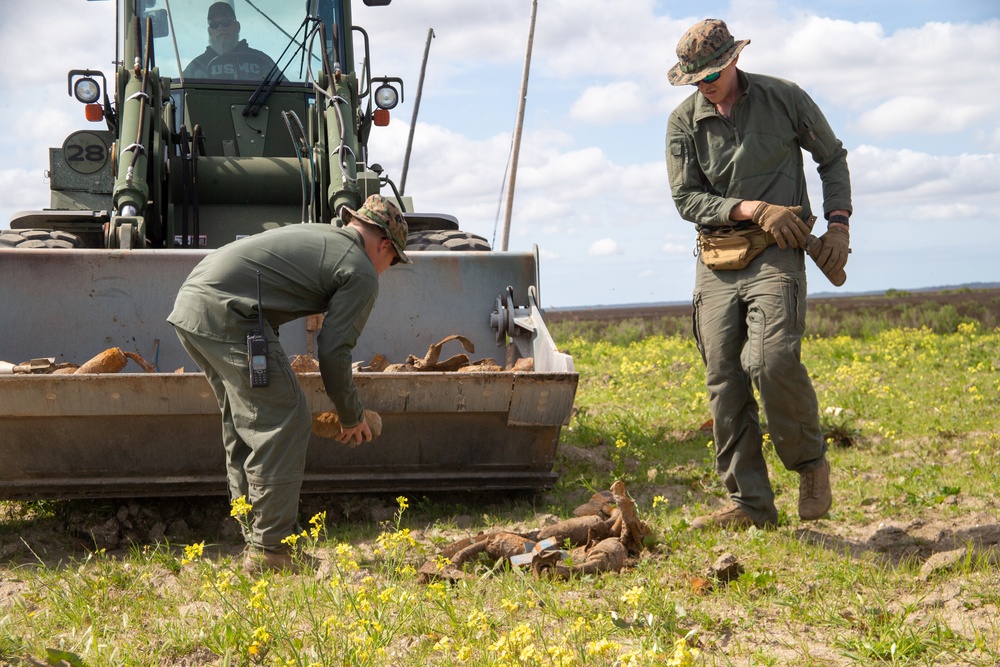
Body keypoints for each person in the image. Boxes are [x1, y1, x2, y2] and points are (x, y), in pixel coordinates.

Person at [665, 19, 852, 529]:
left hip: (778, 253)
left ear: (732, 60)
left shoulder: (785, 98)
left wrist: (838, 225)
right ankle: (751, 504)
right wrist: (750, 207)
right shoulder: (684, 122)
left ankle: (810, 466)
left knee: (770, 360)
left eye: (711, 74)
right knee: (723, 377)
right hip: (718, 259)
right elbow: (687, 198)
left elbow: (831, 159)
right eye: (695, 78)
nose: (705, 84)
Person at [167, 194, 410, 573]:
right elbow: (333, 350)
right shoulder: (360, 268)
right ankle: (272, 550)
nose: (385, 269)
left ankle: (259, 536)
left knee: (243, 422)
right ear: (384, 245)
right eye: (391, 262)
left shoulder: (325, 238)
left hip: (194, 305)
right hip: (230, 312)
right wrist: (351, 415)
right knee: (285, 417)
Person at [182, 2, 278, 80]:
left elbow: (288, 93)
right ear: (210, 31)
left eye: (225, 23)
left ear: (237, 27)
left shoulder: (261, 60)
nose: (220, 28)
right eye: (214, 25)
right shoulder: (197, 66)